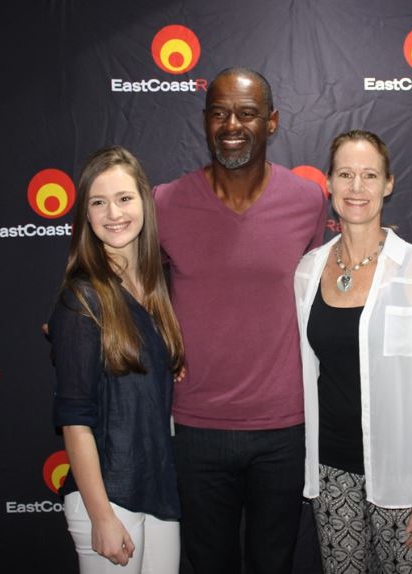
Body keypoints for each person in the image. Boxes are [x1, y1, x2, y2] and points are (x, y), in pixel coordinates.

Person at [152, 67, 328, 574]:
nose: (232, 125)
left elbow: (319, 295)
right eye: (220, 113)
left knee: (274, 563)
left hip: (283, 427)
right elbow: (135, 287)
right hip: (195, 425)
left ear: (271, 122)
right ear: (205, 120)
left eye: (247, 113)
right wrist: (87, 318)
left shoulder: (308, 200)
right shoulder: (164, 203)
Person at [294, 130, 412, 574]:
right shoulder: (308, 271)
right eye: (345, 174)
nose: (357, 187)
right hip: (331, 472)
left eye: (370, 175)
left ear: (388, 184)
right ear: (328, 183)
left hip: (406, 474)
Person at [48, 145, 184, 574]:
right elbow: (75, 421)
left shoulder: (156, 288)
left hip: (158, 490)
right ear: (86, 216)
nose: (114, 213)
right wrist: (101, 516)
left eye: (124, 198)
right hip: (108, 497)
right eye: (98, 202)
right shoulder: (82, 299)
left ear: (144, 202)